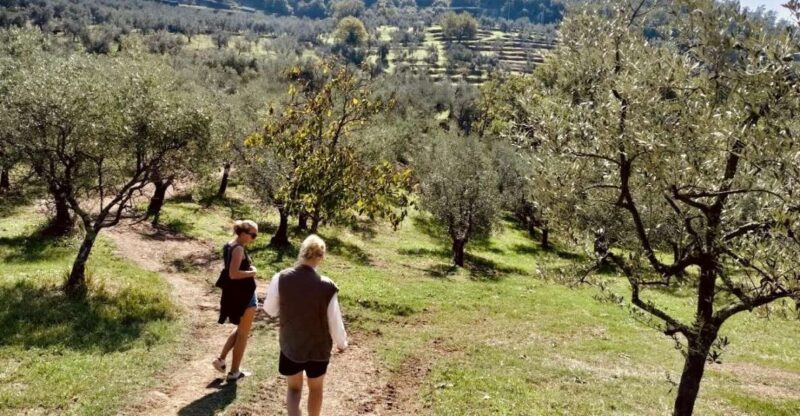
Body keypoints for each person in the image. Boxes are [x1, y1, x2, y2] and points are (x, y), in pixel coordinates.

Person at [264, 234, 348, 416]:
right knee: (316, 388)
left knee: (294, 389)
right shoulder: (328, 286)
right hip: (319, 348)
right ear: (321, 257)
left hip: (291, 345)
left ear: (301, 252)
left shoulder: (280, 278)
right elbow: (334, 320)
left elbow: (270, 310)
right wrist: (341, 343)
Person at [212, 220, 259, 381]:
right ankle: (234, 372)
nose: (254, 238)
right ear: (243, 233)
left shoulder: (230, 245)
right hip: (244, 295)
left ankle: (221, 359)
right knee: (243, 334)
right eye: (253, 235)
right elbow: (233, 274)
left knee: (240, 329)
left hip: (236, 294)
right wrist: (252, 272)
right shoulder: (238, 248)